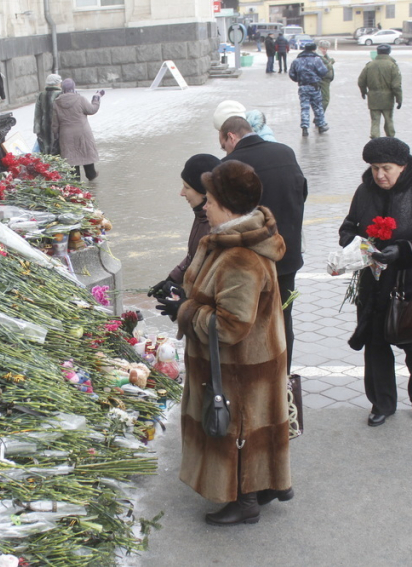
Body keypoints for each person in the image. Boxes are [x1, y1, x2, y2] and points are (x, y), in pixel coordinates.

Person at [155, 159, 292, 526]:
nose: (205, 206)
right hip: (252, 361)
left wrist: (185, 311)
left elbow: (230, 326)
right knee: (249, 423)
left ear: (228, 206)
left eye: (211, 201)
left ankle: (244, 498)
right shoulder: (233, 240)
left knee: (240, 427)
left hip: (242, 367)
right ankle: (263, 486)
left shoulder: (240, 256)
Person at [338, 137, 412, 426]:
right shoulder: (365, 192)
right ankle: (382, 403)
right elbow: (348, 227)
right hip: (373, 286)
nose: (379, 175)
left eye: (386, 168)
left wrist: (401, 250)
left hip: (410, 285)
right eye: (375, 168)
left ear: (402, 166)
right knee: (375, 346)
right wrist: (359, 245)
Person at [218, 116, 307, 371]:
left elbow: (225, 219)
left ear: (231, 137)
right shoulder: (285, 152)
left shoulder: (229, 165)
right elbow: (302, 193)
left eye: (223, 144)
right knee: (282, 319)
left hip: (250, 262)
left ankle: (256, 380)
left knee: (250, 322)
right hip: (286, 256)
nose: (224, 151)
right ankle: (283, 379)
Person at [147, 154, 221, 296]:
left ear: (204, 192)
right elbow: (194, 257)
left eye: (186, 187)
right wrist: (173, 279)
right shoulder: (201, 215)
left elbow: (212, 285)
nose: (181, 193)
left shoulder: (214, 225)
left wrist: (185, 305)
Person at [52, 78, 103, 181]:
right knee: (85, 152)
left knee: (71, 157)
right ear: (73, 87)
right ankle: (91, 174)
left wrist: (55, 135)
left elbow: (55, 123)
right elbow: (92, 110)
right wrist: (96, 98)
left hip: (66, 134)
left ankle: (76, 180)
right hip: (82, 131)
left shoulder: (56, 103)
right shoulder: (80, 99)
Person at [358, 44, 402, 139]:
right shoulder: (392, 65)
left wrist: (363, 91)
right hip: (388, 97)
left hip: (373, 97)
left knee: (375, 121)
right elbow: (396, 85)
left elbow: (361, 81)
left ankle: (375, 140)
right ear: (389, 52)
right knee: (389, 120)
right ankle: (391, 140)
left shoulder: (370, 65)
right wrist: (399, 99)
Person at [288, 42, 329, 137]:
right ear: (314, 49)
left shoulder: (297, 60)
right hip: (314, 86)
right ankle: (321, 125)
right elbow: (324, 71)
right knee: (318, 107)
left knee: (304, 107)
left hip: (303, 87)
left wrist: (299, 79)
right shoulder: (316, 60)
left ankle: (305, 128)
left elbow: (292, 74)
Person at [33, 74, 62, 155]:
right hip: (58, 128)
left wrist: (37, 129)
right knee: (58, 152)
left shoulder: (41, 95)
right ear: (58, 83)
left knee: (46, 152)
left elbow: (37, 114)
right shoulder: (61, 94)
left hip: (44, 128)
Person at [317, 40, 335, 111]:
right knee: (325, 100)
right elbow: (326, 66)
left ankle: (319, 117)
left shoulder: (325, 56)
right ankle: (319, 117)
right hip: (322, 80)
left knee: (324, 100)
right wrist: (330, 63)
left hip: (326, 81)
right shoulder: (318, 57)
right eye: (323, 48)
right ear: (319, 48)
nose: (325, 50)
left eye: (326, 49)